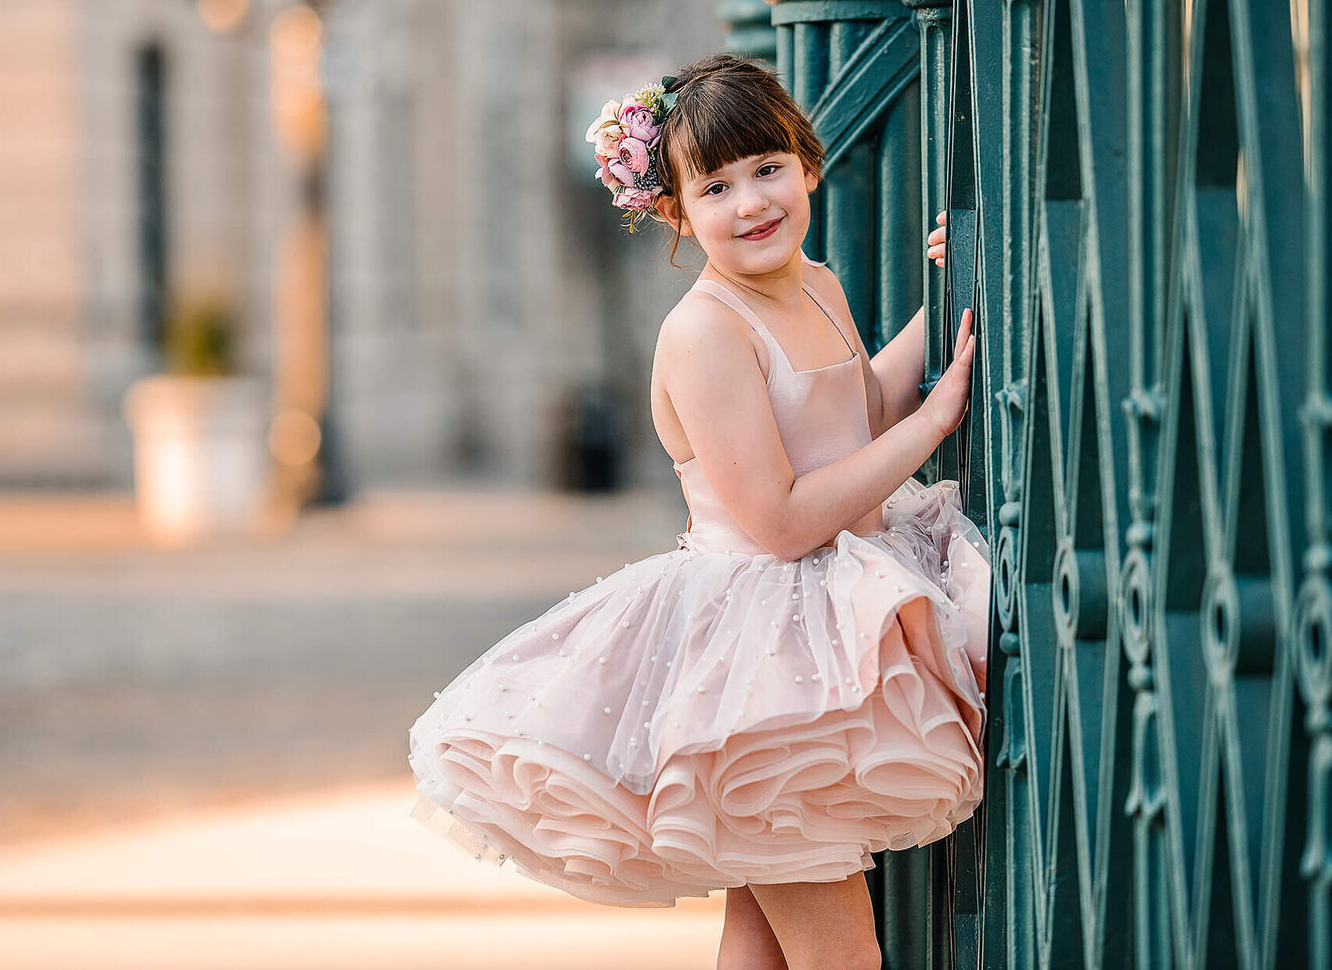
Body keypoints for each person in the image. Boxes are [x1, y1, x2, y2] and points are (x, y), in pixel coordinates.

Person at [408, 53, 986, 970]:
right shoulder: (705, 331)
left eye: (767, 168)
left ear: (808, 163)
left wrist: (952, 304)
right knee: (842, 953)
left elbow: (854, 421)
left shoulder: (817, 284)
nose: (751, 202)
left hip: (822, 624)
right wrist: (939, 421)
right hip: (761, 652)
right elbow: (783, 521)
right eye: (716, 186)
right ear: (676, 211)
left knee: (760, 937)